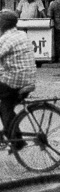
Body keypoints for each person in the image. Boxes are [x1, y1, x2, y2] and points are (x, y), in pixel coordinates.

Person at [0, 10, 36, 151]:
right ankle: (12, 133)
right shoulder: (21, 34)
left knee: (5, 107)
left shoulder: (6, 38)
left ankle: (17, 141)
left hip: (15, 82)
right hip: (27, 80)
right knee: (6, 107)